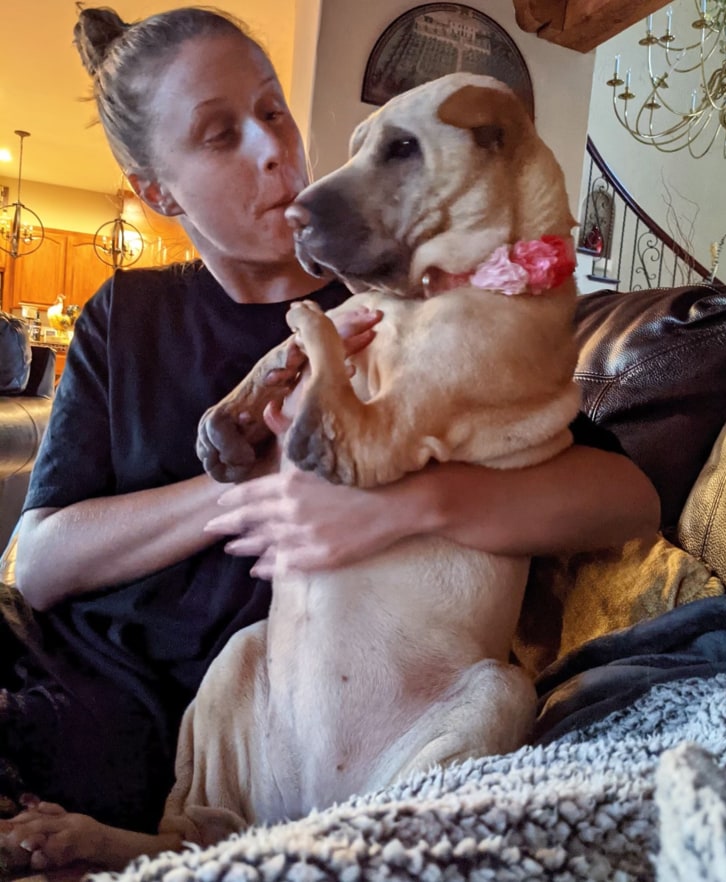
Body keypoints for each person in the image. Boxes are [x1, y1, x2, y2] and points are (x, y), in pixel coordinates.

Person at [0, 2, 660, 872]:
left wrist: (415, 502)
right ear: (157, 193)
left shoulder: (426, 307)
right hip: (88, 673)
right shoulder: (126, 317)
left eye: (272, 109)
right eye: (219, 135)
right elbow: (39, 563)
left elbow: (626, 498)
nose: (276, 148)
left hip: (263, 728)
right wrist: (252, 489)